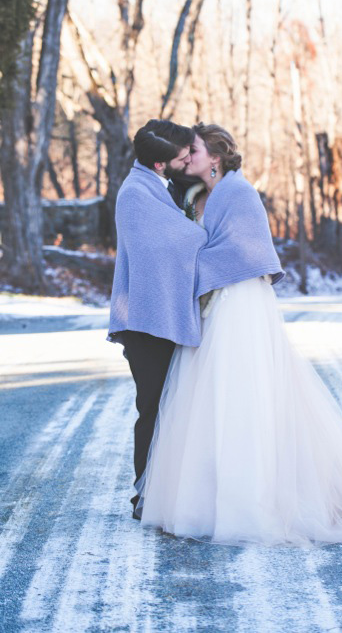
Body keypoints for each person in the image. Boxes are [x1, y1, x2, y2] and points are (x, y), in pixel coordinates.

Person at [135, 122, 342, 547]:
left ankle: (247, 504)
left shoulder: (239, 193)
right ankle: (207, 500)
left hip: (241, 304)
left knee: (242, 397)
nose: (187, 155)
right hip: (216, 304)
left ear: (214, 157)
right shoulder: (200, 196)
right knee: (211, 399)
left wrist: (193, 263)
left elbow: (246, 252)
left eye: (193, 149)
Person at [107, 119, 208, 520]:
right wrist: (211, 228)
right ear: (162, 164)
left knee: (172, 407)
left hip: (158, 318)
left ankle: (166, 490)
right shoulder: (135, 194)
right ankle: (144, 493)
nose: (188, 160)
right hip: (145, 323)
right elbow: (181, 241)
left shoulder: (157, 186)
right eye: (182, 157)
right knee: (152, 407)